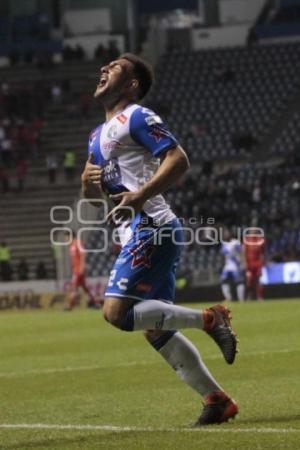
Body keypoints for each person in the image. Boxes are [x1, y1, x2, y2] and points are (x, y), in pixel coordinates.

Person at [81, 53, 239, 426]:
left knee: (116, 314)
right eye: (104, 67)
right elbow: (97, 199)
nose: (104, 69)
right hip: (137, 230)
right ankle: (216, 399)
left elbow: (178, 159)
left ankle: (210, 318)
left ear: (132, 84)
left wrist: (138, 197)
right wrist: (88, 185)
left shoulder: (137, 115)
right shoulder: (95, 136)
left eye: (115, 68)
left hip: (151, 225)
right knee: (156, 327)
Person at [65, 231, 100, 310]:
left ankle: (70, 306)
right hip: (76, 270)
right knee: (85, 288)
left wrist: (82, 266)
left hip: (78, 270)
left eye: (67, 237)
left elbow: (83, 253)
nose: (66, 239)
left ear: (71, 236)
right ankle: (96, 302)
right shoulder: (71, 246)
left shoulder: (78, 243)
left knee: (73, 287)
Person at [220, 229, 245, 302]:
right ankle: (228, 298)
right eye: (224, 234)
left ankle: (241, 299)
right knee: (224, 281)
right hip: (227, 266)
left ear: (230, 235)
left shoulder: (235, 243)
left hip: (235, 265)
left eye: (227, 233)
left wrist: (243, 263)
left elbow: (241, 252)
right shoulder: (223, 244)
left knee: (239, 281)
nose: (226, 235)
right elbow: (222, 255)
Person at [244, 231, 265, 300]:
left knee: (258, 281)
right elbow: (244, 252)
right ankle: (249, 296)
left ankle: (259, 296)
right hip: (249, 264)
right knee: (249, 281)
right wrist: (245, 263)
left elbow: (262, 252)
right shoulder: (246, 240)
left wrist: (262, 262)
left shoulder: (260, 240)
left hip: (258, 263)